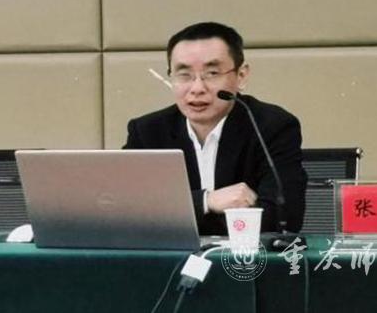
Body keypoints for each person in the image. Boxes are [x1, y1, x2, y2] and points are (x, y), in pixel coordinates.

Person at [124, 22, 307, 235]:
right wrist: (206, 201)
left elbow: (284, 218)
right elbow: (125, 210)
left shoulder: (272, 126)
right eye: (184, 74)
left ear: (241, 76)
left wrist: (174, 218)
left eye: (212, 73)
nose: (197, 88)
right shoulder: (147, 131)